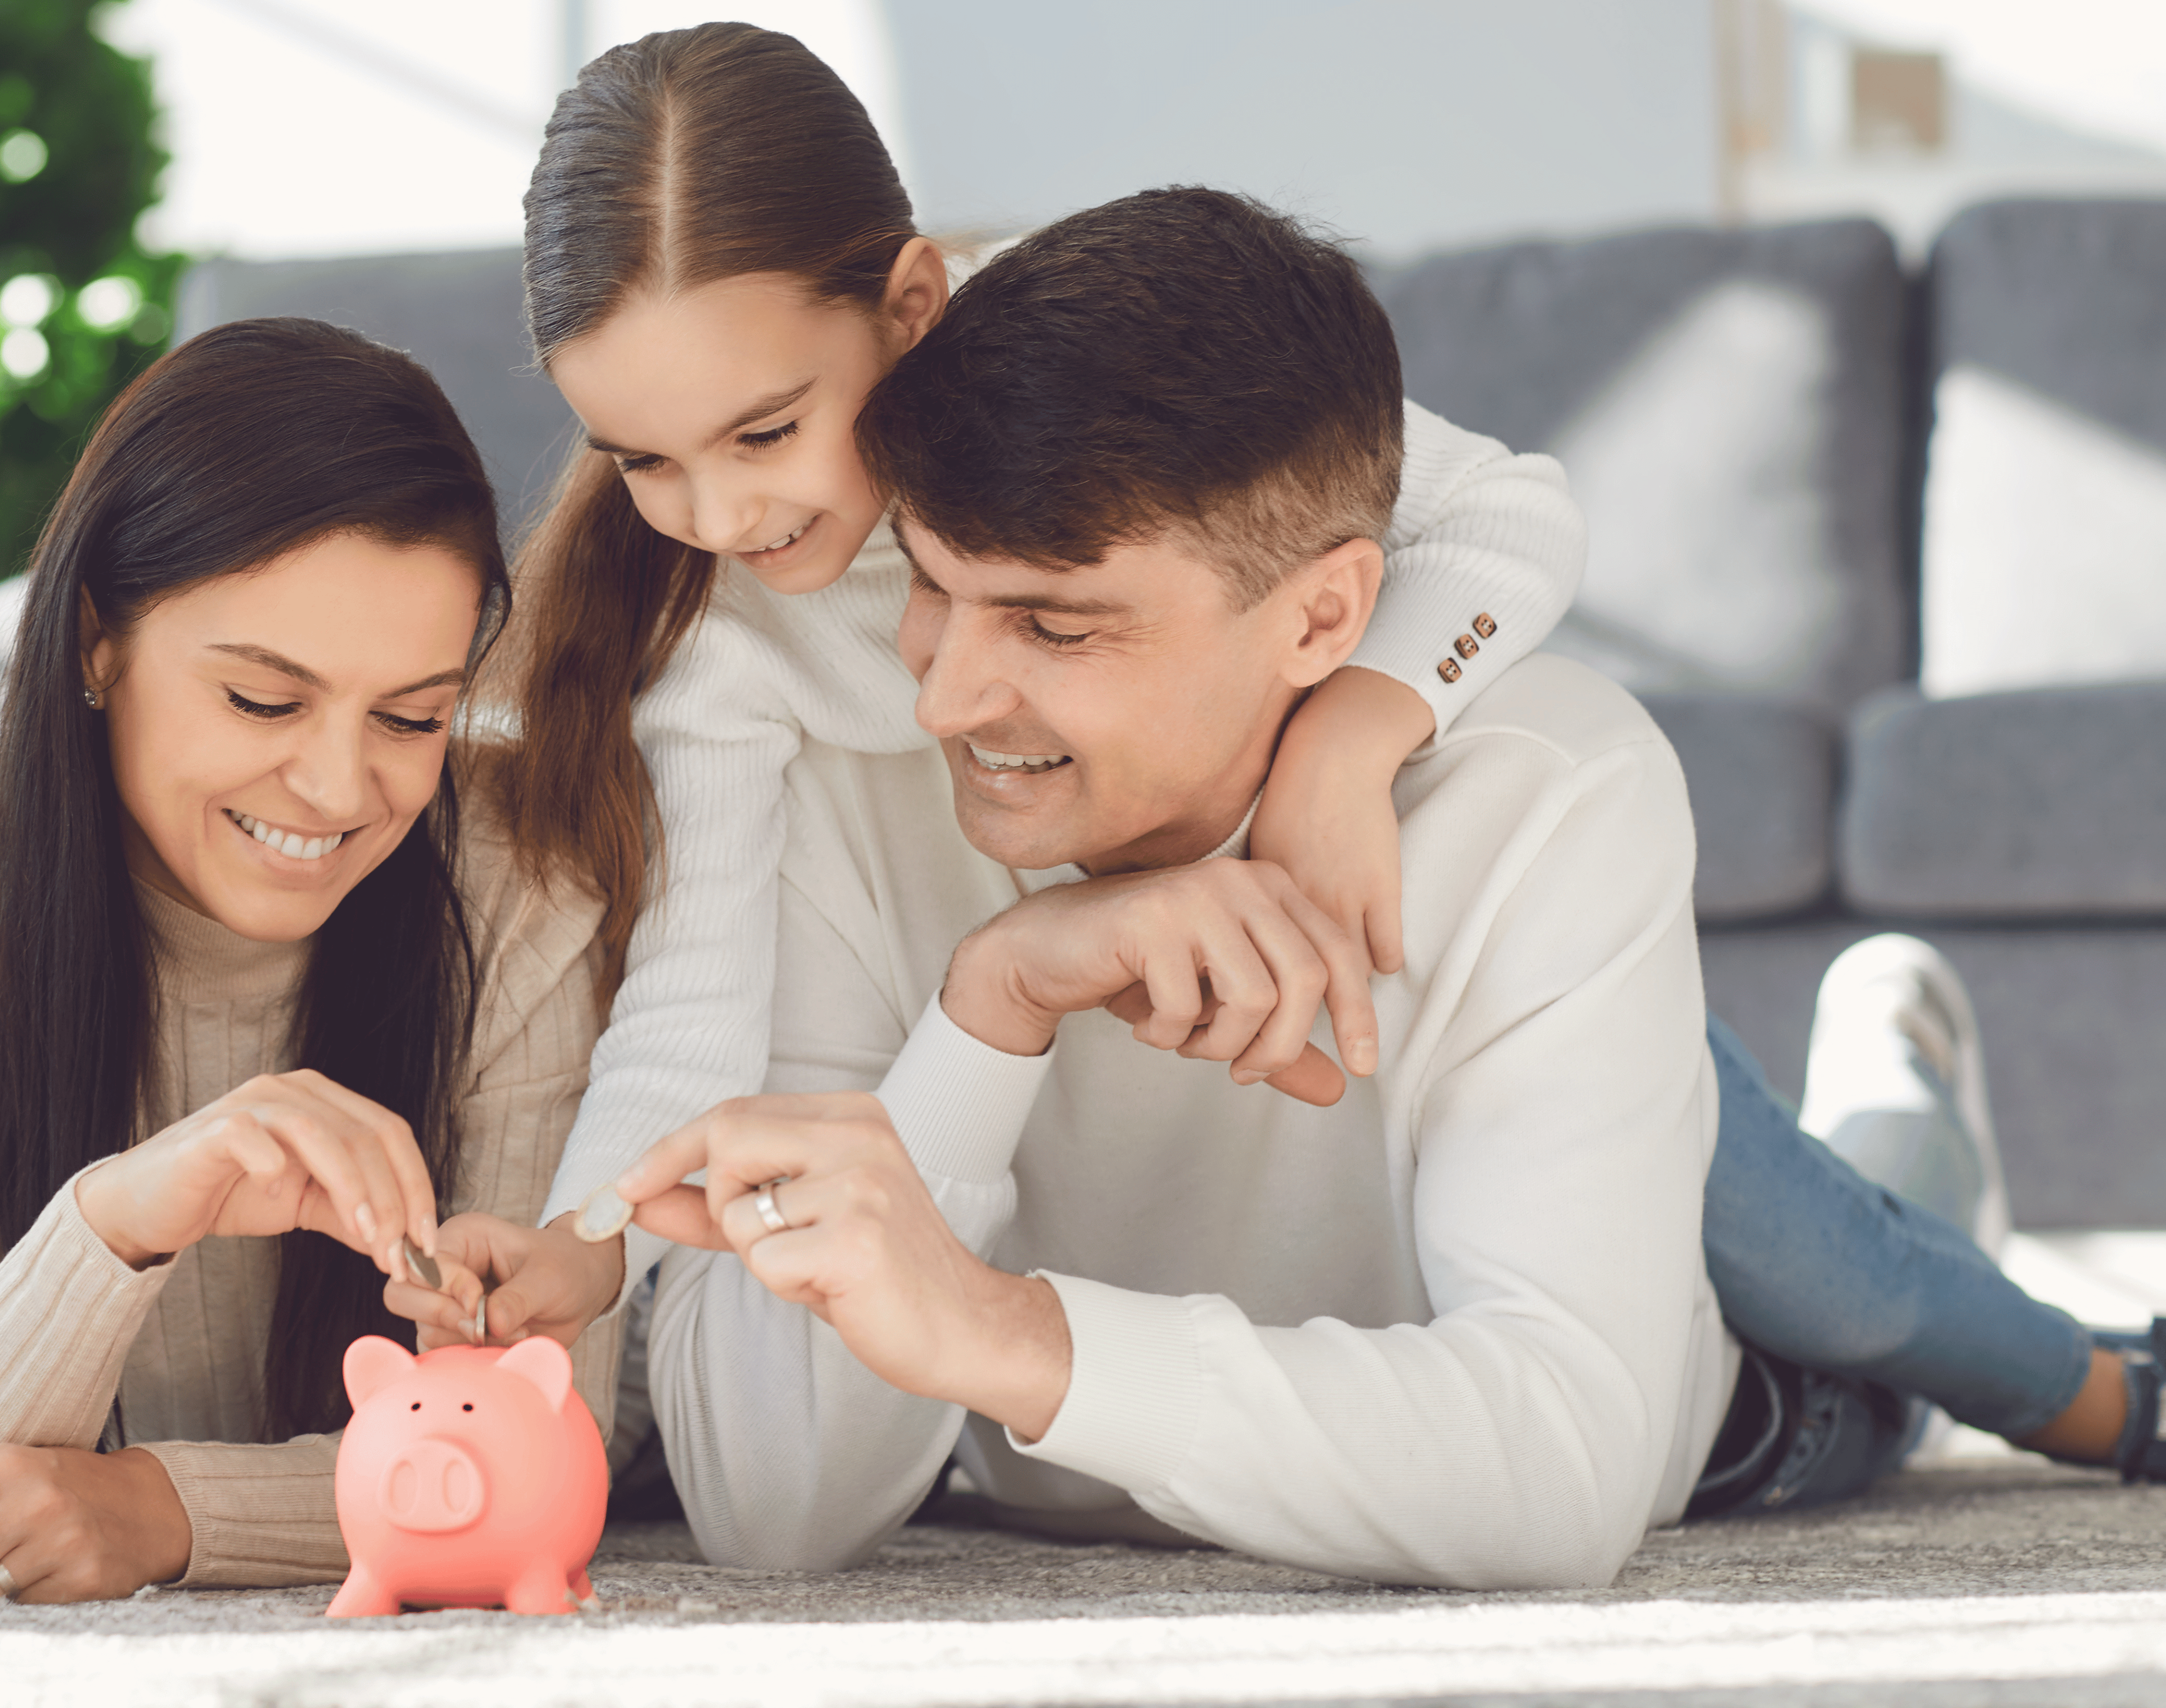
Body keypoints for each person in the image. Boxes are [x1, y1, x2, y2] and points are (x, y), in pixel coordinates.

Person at [555, 188, 2161, 1587]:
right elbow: (771, 1511)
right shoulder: (823, 771)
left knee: (1872, 1293)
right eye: (935, 589)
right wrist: (994, 1005)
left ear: (1327, 621)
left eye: (1056, 624)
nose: (942, 701)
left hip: (1746, 1425)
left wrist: (1006, 1339)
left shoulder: (1553, 787)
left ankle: (1910, 1112)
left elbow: (1558, 1474)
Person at [474, 22, 1584, 1320]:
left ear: (913, 306)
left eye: (764, 432)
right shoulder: (724, 647)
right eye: (645, 461)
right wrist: (584, 1243)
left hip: (1461, 946)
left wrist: (1343, 749)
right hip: (1207, 1012)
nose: (718, 517)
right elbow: (691, 1010)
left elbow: (1516, 513)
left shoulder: (1093, 377)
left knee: (1827, 1281)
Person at [0, 317, 616, 1603]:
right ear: (97, 638)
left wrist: (170, 1509)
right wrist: (118, 1221)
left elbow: (550, 1446)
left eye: (413, 716)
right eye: (263, 700)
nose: (334, 787)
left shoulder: (513, 887)